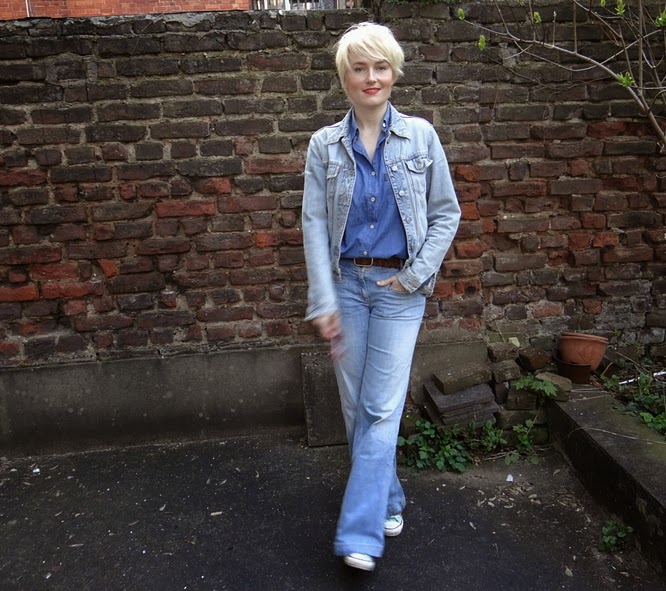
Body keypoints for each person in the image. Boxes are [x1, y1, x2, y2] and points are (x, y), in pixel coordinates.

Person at [301, 22, 461, 572]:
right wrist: (323, 301)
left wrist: (414, 277)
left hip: (398, 291)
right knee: (356, 408)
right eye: (360, 68)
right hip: (347, 287)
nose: (371, 77)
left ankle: (359, 532)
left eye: (381, 66)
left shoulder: (421, 137)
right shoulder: (324, 146)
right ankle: (387, 499)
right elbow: (313, 225)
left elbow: (446, 214)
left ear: (394, 73)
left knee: (380, 407)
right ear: (343, 77)